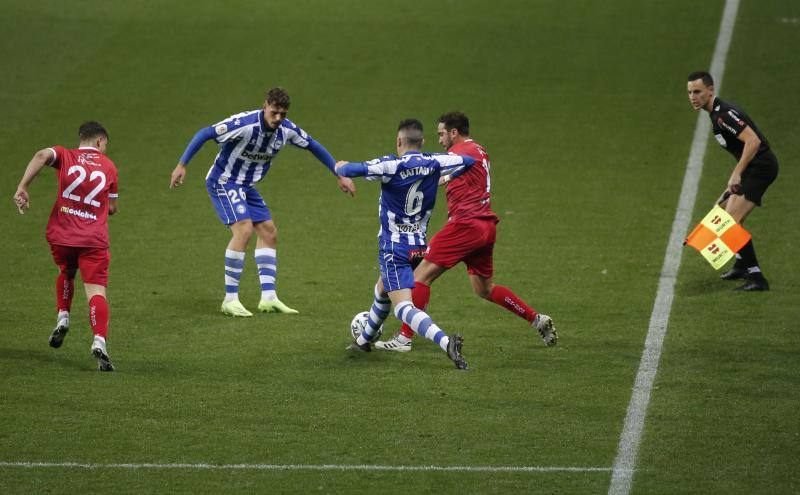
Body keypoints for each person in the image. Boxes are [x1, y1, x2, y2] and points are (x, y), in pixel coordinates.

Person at [375, 112, 557, 352]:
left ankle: (404, 338)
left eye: (441, 134)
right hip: (486, 226)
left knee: (420, 276)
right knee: (485, 288)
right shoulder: (479, 150)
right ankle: (536, 319)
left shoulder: (459, 152)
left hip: (465, 225)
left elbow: (429, 166)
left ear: (453, 132)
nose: (439, 140)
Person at [170, 87, 356, 316]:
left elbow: (313, 145)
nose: (278, 118)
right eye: (274, 112)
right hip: (224, 181)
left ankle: (268, 298)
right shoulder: (244, 124)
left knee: (269, 232)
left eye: (283, 114)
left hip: (246, 187)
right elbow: (205, 133)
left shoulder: (286, 130)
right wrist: (182, 165)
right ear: (265, 105)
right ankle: (230, 299)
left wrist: (338, 174)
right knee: (244, 230)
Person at [336, 118, 475, 369]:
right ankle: (364, 340)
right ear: (421, 142)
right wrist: (446, 178)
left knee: (402, 308)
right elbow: (469, 162)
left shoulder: (390, 165)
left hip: (394, 248)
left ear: (399, 141)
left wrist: (341, 166)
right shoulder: (435, 161)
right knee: (382, 290)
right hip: (419, 248)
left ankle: (446, 342)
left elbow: (352, 170)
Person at [13, 122, 119, 371]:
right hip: (93, 240)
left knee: (66, 272)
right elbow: (112, 208)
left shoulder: (66, 155)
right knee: (96, 292)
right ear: (100, 142)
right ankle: (99, 342)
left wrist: (23, 187)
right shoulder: (109, 166)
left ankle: (63, 316)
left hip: (62, 236)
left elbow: (41, 155)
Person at [687, 71, 778, 291]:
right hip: (752, 168)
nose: (693, 97)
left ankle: (757, 278)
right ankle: (741, 265)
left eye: (697, 91)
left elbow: (753, 141)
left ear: (711, 90)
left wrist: (737, 173)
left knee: (729, 222)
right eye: (689, 92)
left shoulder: (723, 115)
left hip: (761, 168)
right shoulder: (716, 114)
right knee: (721, 210)